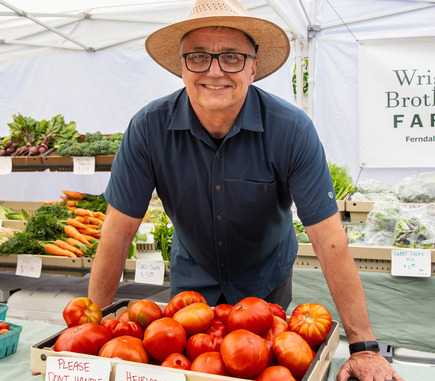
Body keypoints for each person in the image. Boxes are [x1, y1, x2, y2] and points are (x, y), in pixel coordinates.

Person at [88, 0, 403, 380]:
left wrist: (363, 345)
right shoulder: (147, 129)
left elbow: (329, 240)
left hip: (266, 284)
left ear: (253, 67)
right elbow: (118, 232)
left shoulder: (292, 130)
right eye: (199, 57)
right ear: (181, 67)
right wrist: (93, 334)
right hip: (192, 286)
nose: (215, 71)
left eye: (232, 58)